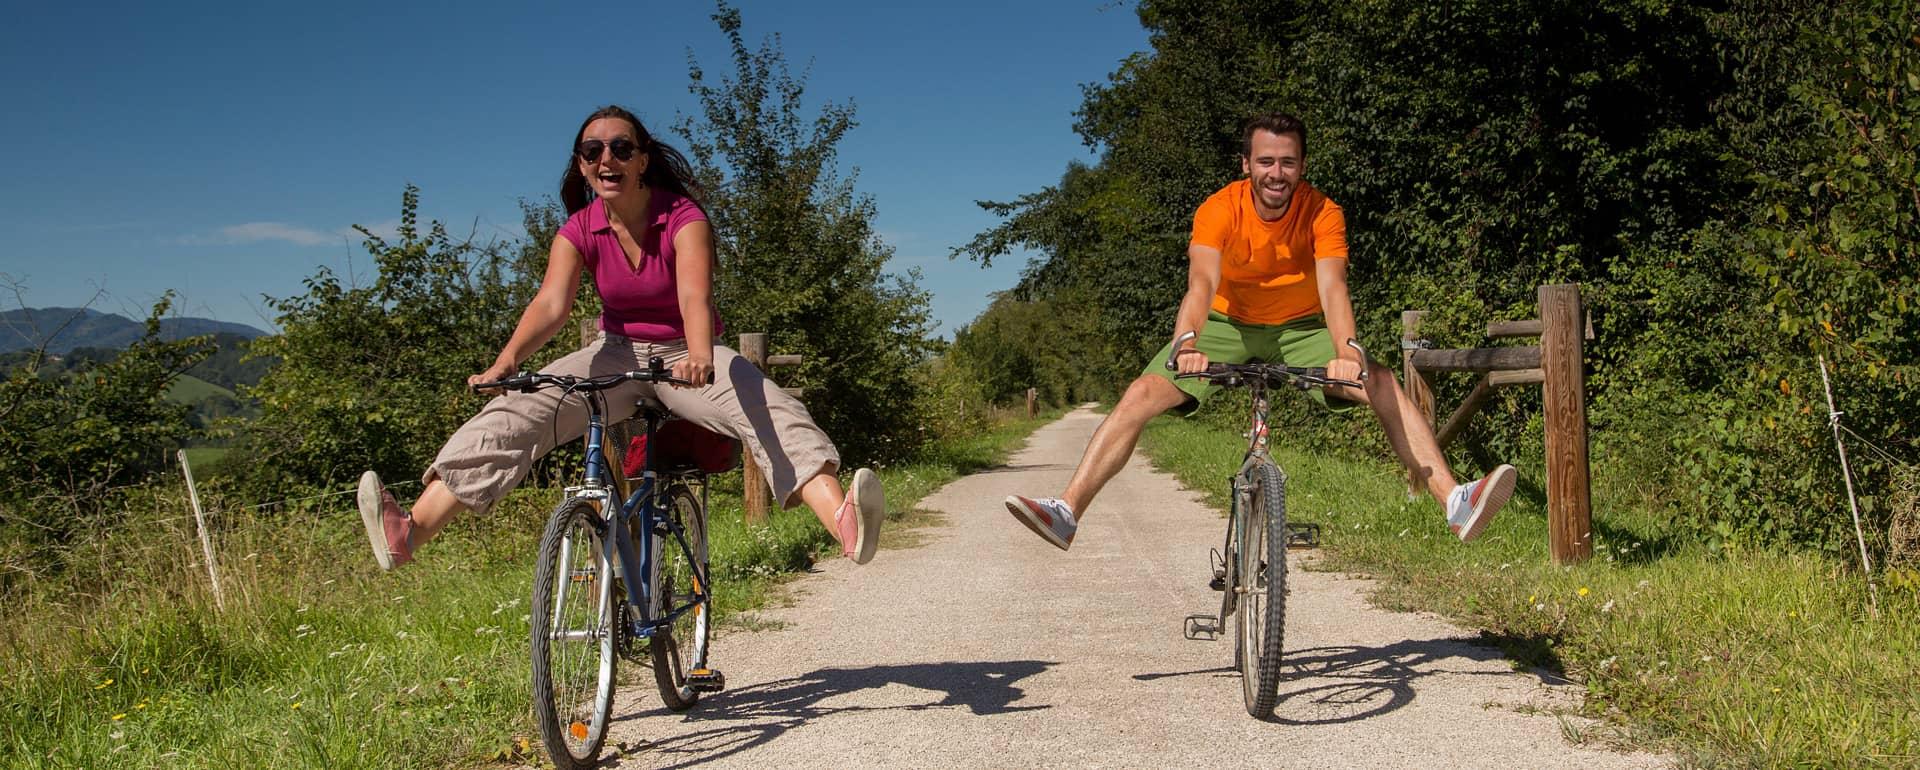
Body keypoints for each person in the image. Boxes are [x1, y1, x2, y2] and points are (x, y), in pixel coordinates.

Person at [356, 105, 885, 570]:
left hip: (684, 354)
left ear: (641, 159)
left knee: (762, 402)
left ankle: (843, 520)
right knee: (516, 412)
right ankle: (410, 531)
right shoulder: (579, 228)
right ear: (582, 164)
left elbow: (693, 297)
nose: (605, 159)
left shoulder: (682, 218)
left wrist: (701, 355)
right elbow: (551, 304)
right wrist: (508, 362)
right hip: (613, 354)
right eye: (591, 151)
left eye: (619, 148)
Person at [1004, 112, 1515, 551]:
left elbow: (1334, 289)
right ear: (1247, 164)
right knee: (1141, 391)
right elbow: (1201, 285)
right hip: (1226, 324)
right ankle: (1068, 511)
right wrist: (1186, 343)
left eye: (1288, 162)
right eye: (1266, 161)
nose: (1277, 173)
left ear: (1302, 167)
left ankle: (1453, 499)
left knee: (1378, 381)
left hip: (1300, 329)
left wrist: (1347, 351)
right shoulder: (1219, 210)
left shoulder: (1323, 212)